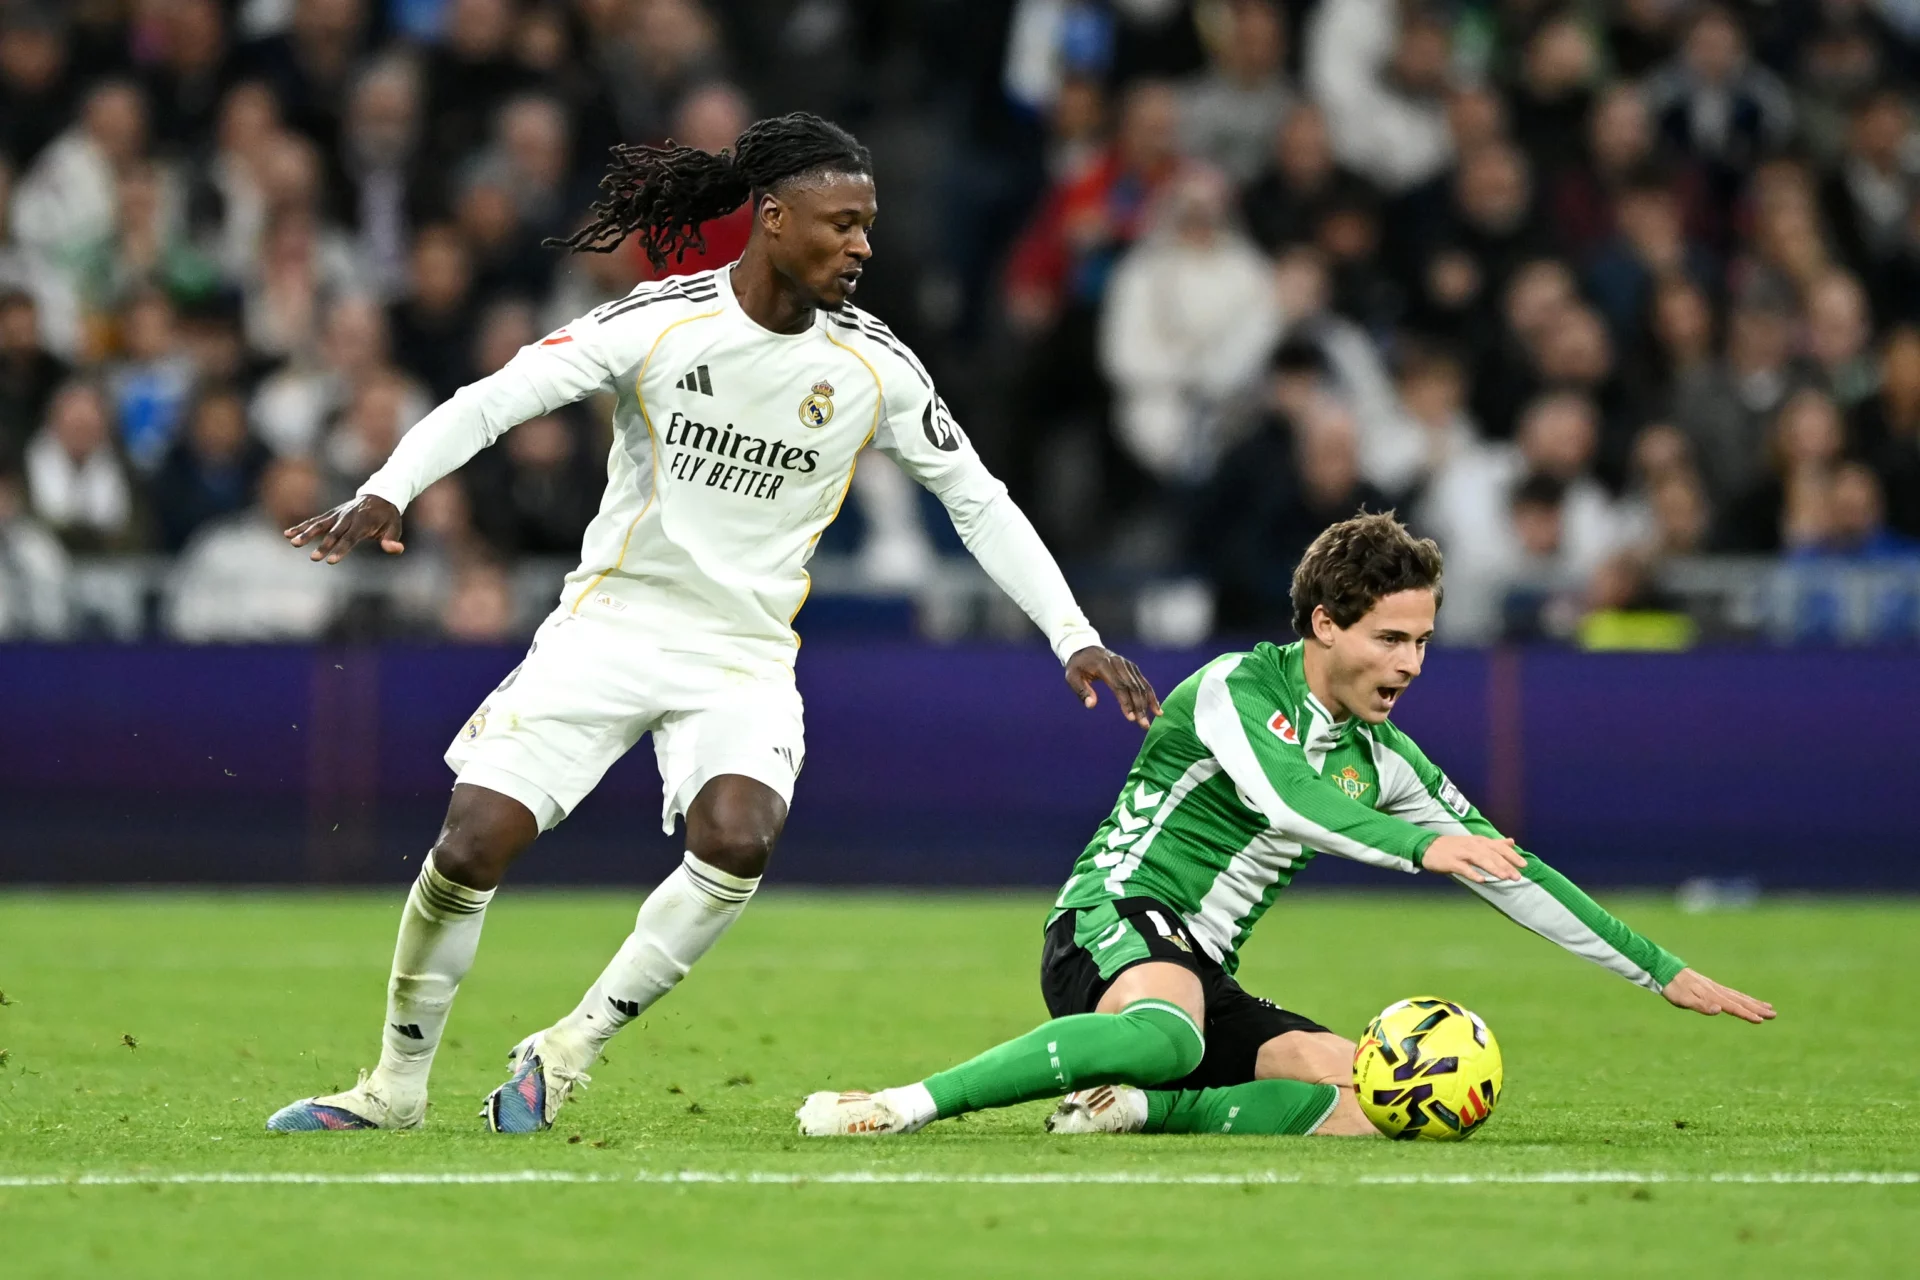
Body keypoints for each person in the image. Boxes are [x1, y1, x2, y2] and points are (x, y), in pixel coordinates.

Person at [264, 112, 1159, 1135]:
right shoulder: (659, 320)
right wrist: (389, 490)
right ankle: (393, 1086)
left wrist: (1072, 632)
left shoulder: (876, 366)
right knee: (472, 843)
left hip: (741, 654)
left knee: (738, 837)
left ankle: (567, 1048)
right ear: (772, 219)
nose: (863, 245)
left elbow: (980, 500)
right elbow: (496, 398)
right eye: (842, 223)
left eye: (869, 225)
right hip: (610, 626)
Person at [799, 512, 1771, 1140]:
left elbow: (1513, 870)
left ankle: (1134, 1105)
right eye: (1391, 637)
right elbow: (1285, 799)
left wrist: (1662, 969)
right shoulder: (1231, 688)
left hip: (1196, 972)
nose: (1412, 662)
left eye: (1424, 640)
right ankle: (898, 1104)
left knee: (1371, 1099)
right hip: (1112, 920)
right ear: (1324, 625)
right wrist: (1421, 845)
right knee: (1170, 1031)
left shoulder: (1386, 760)